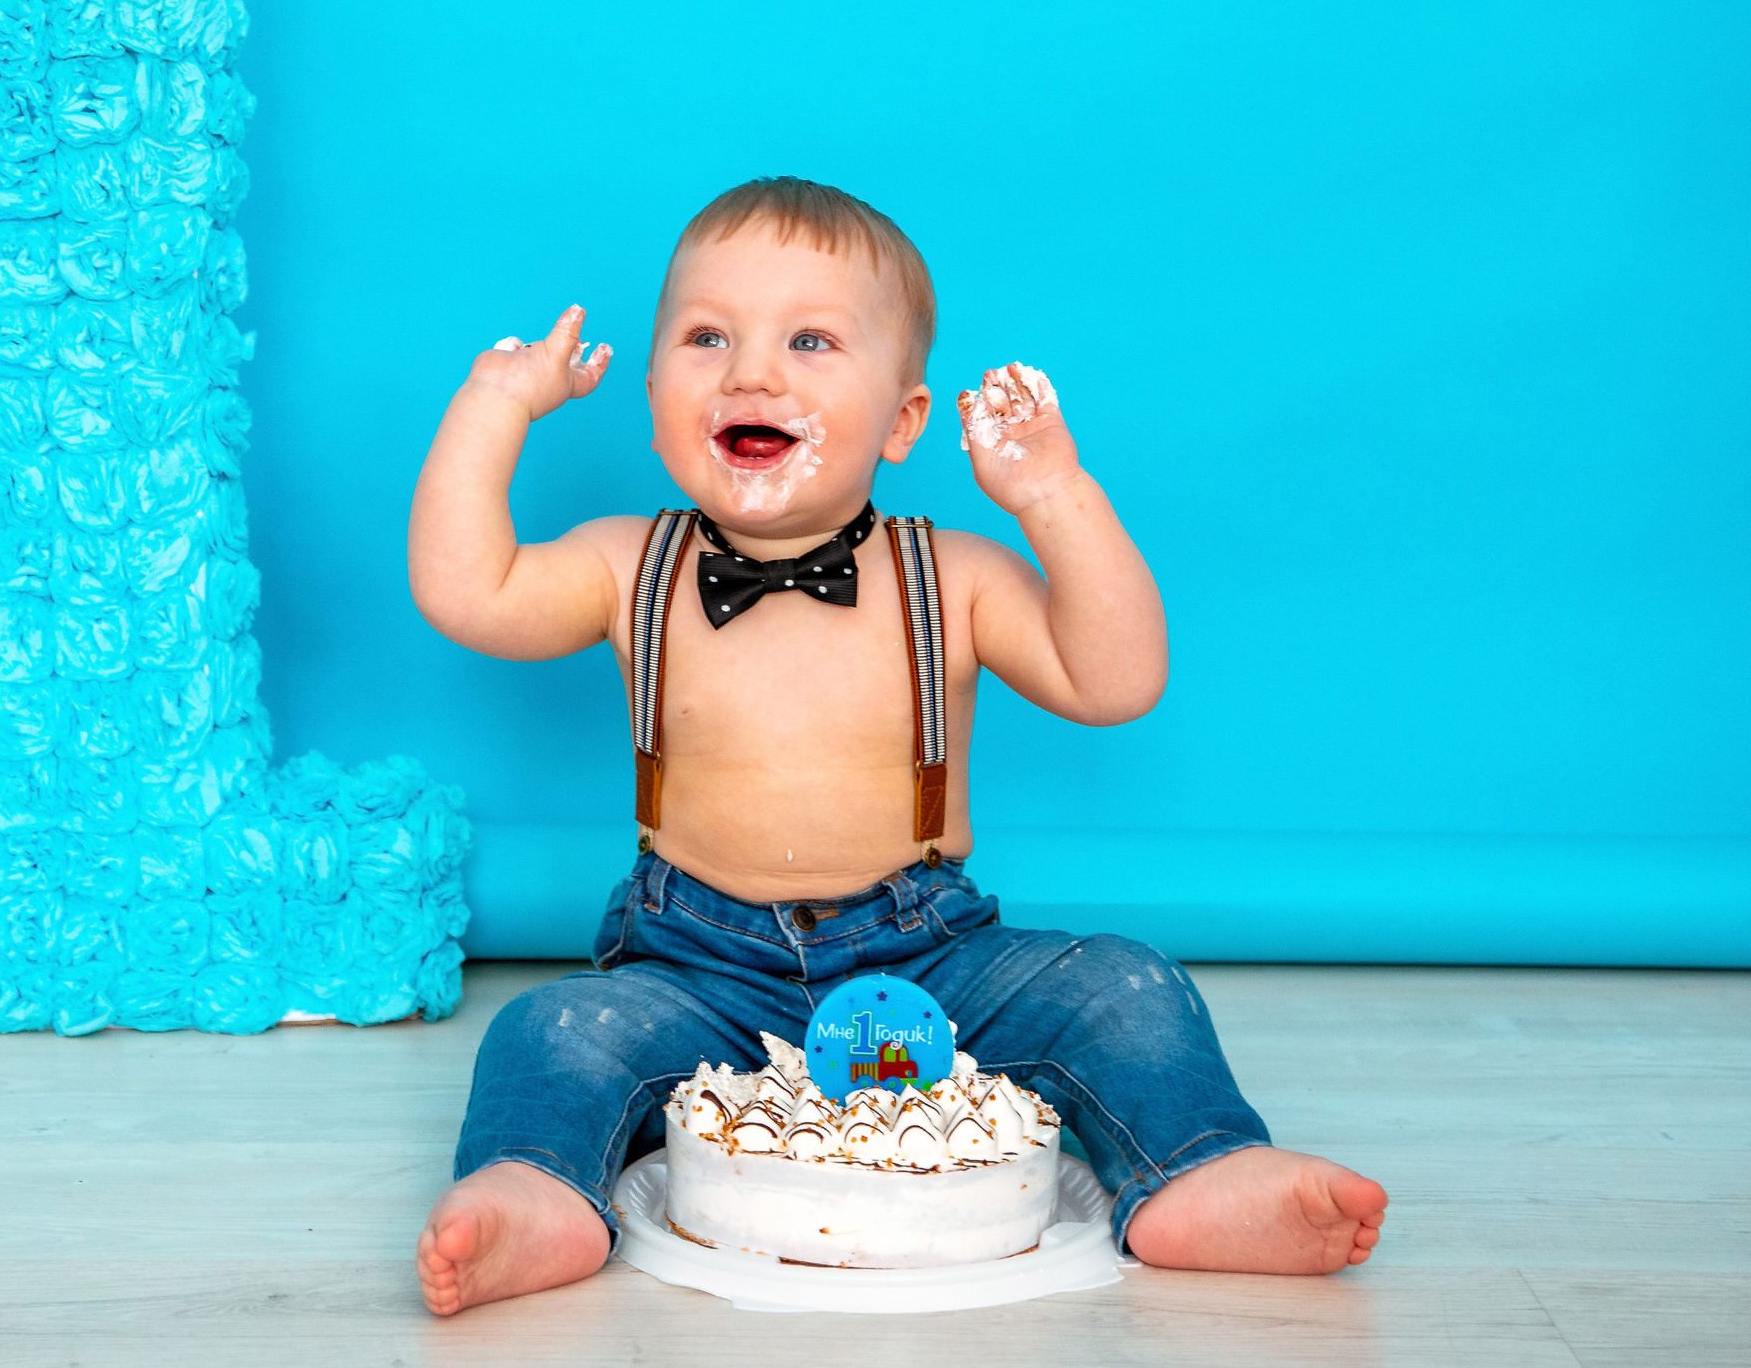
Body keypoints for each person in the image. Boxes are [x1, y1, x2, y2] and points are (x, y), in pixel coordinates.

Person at [404, 177, 1387, 1315]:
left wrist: (1052, 495)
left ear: (903, 420)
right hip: (694, 965)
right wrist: (494, 405)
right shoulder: (629, 565)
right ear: (657, 389)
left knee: (1125, 988)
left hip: (925, 953)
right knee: (549, 1030)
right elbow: (466, 590)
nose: (751, 373)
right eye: (707, 336)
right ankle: (536, 1192)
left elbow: (1115, 683)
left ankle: (1201, 1167)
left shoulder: (950, 576)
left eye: (810, 340)